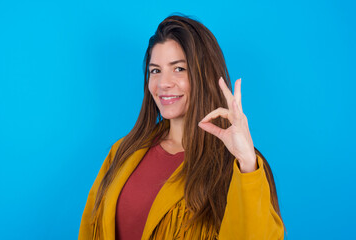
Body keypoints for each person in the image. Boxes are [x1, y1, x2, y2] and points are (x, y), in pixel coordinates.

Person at [78, 15, 284, 240]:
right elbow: (90, 228)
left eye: (179, 69)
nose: (163, 83)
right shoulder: (123, 151)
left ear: (203, 74)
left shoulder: (240, 168)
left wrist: (246, 161)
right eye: (155, 70)